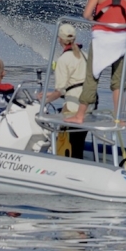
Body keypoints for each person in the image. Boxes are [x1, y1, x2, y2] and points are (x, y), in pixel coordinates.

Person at [40, 23, 89, 158]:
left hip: (74, 106)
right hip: (89, 105)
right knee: (78, 142)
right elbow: (77, 83)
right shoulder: (85, 55)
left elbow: (59, 92)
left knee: (67, 142)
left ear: (59, 39)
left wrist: (43, 101)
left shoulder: (63, 59)